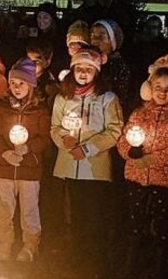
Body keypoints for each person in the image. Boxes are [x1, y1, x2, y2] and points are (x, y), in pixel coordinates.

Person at [50, 51, 123, 267]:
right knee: (74, 213)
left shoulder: (107, 98)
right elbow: (55, 127)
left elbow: (114, 130)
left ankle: (94, 259)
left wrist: (89, 149)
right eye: (79, 68)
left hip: (95, 168)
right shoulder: (63, 97)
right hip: (69, 164)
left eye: (89, 69)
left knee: (94, 215)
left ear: (96, 72)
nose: (83, 73)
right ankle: (75, 257)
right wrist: (65, 140)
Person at [116, 66, 168, 279]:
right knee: (135, 220)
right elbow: (123, 139)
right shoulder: (139, 113)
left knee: (160, 224)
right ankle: (131, 264)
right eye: (158, 87)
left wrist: (151, 160)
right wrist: (131, 152)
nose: (162, 92)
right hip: (136, 176)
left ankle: (158, 269)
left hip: (162, 180)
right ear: (150, 88)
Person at [0, 58, 49, 262]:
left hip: (29, 168)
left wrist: (28, 148)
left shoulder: (39, 110)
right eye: (13, 83)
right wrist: (4, 153)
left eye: (21, 83)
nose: (16, 87)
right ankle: (5, 242)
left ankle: (30, 245)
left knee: (29, 209)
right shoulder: (2, 109)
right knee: (4, 208)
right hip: (5, 168)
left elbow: (45, 137)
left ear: (30, 85)